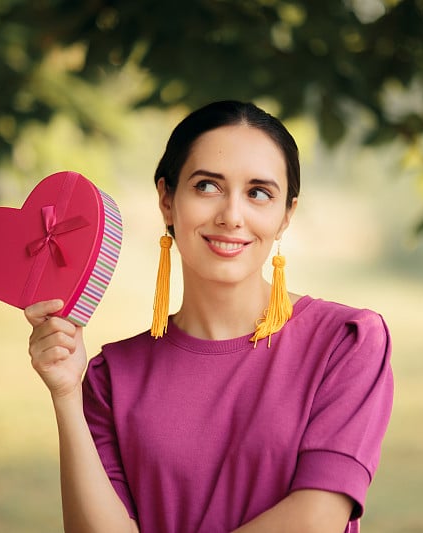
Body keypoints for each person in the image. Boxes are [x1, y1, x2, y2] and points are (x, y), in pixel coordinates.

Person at [25, 100, 394, 533]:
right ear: (167, 199)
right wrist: (66, 394)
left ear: (286, 215)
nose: (232, 216)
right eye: (207, 186)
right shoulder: (112, 378)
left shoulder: (345, 342)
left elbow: (316, 519)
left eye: (259, 193)